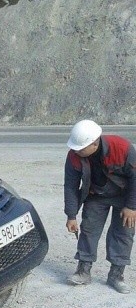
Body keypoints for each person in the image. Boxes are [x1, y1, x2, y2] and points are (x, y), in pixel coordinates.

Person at [64, 119, 136, 294]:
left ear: (94, 143)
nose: (76, 151)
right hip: (96, 196)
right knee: (88, 230)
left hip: (124, 197)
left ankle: (116, 275)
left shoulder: (122, 147)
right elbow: (70, 185)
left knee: (123, 233)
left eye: (80, 148)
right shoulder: (74, 155)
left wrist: (132, 206)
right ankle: (83, 271)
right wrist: (71, 215)